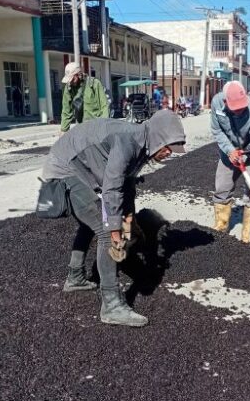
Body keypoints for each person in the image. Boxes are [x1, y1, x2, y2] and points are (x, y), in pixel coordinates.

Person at [41, 110, 186, 327]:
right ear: (158, 138)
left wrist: (129, 220)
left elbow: (127, 185)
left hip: (77, 167)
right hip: (64, 169)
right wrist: (116, 230)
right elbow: (112, 187)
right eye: (168, 148)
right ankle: (111, 305)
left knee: (94, 220)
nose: (169, 153)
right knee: (106, 231)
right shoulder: (128, 142)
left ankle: (75, 277)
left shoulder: (142, 145)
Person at [210, 80, 250, 244]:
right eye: (236, 109)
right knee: (222, 189)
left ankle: (245, 239)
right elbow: (217, 130)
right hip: (228, 152)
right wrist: (229, 150)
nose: (240, 111)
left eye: (242, 108)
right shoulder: (217, 102)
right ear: (225, 102)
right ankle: (220, 231)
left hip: (249, 154)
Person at [60, 62, 109, 132]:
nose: (70, 82)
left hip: (96, 126)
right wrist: (63, 130)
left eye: (72, 79)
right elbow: (66, 111)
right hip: (82, 128)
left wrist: (104, 126)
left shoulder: (94, 84)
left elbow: (104, 106)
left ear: (79, 74)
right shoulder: (68, 89)